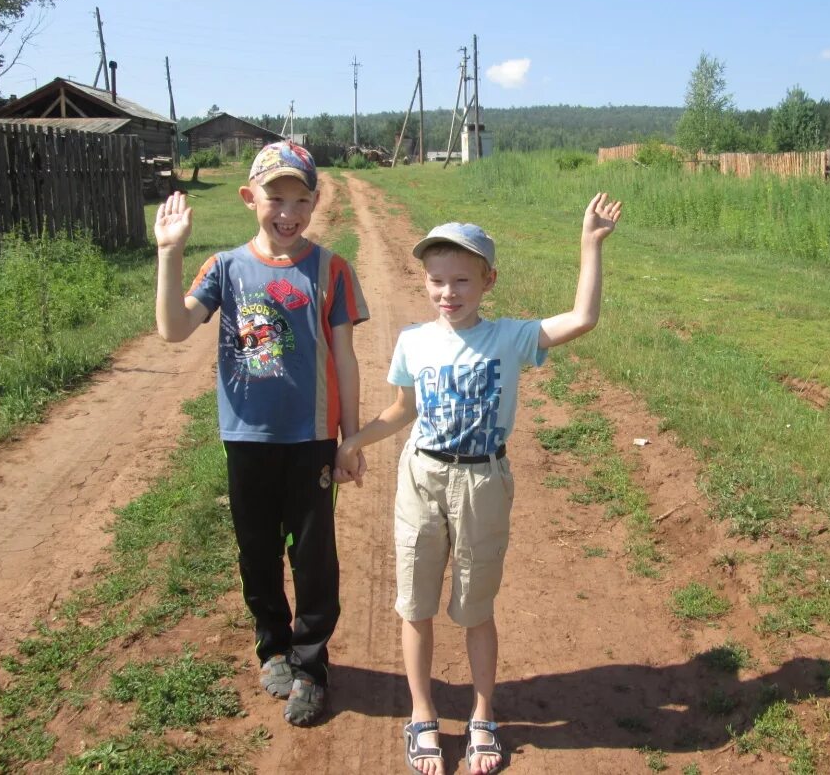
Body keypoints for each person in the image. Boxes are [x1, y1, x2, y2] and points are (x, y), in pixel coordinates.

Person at [336, 193, 622, 774]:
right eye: (437, 280)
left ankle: (482, 715)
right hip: (420, 477)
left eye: (462, 280)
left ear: (487, 281)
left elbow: (582, 319)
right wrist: (354, 441)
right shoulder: (414, 341)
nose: (449, 293)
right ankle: (422, 713)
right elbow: (403, 410)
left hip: (482, 483)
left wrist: (589, 246)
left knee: (474, 607)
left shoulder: (509, 339)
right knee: (415, 604)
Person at [154, 141, 369, 727]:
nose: (288, 212)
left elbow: (346, 360)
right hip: (246, 438)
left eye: (301, 199)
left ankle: (311, 664)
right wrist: (169, 255)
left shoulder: (332, 269)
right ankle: (272, 645)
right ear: (252, 198)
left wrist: (350, 439)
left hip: (312, 440)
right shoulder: (224, 267)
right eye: (276, 197)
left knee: (314, 556)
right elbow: (174, 329)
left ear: (316, 201)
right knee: (257, 550)